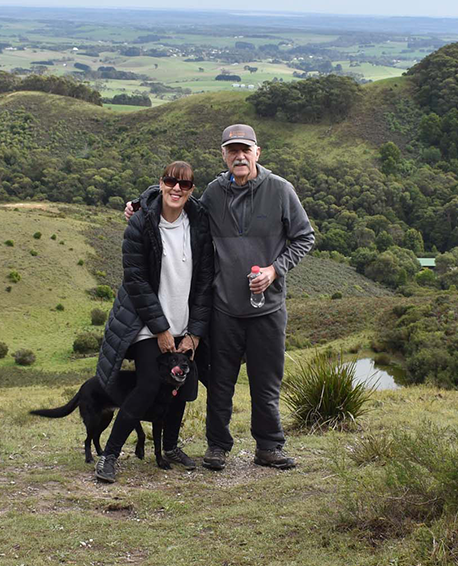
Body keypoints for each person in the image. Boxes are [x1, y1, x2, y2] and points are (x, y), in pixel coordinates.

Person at [127, 124, 315, 471]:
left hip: (269, 309)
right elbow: (177, 199)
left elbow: (305, 237)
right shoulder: (213, 193)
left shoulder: (280, 190)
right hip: (224, 309)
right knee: (220, 382)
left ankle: (269, 447)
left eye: (246, 150)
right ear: (224, 155)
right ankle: (217, 447)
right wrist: (140, 204)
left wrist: (275, 270)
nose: (239, 156)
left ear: (258, 152)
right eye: (232, 150)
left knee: (266, 382)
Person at [94, 161, 214, 484]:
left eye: (185, 185)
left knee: (185, 385)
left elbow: (204, 283)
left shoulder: (198, 225)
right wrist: (160, 329)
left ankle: (171, 447)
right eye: (171, 182)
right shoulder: (141, 224)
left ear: (191, 190)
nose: (177, 189)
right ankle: (109, 455)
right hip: (144, 324)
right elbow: (135, 281)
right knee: (149, 385)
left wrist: (196, 334)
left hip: (183, 327)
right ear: (160, 183)